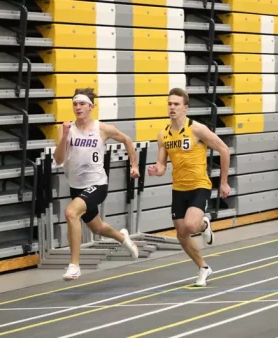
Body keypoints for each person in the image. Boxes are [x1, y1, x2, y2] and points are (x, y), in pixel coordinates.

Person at [54, 88, 140, 281]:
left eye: (82, 104)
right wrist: (64, 137)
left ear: (91, 107)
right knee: (98, 228)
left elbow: (126, 139)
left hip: (97, 185)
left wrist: (134, 165)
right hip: (76, 187)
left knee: (70, 212)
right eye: (75, 104)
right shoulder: (66, 129)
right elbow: (59, 160)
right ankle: (123, 238)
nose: (78, 107)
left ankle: (74, 265)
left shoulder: (102, 129)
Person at [148, 87, 231, 287]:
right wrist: (156, 170)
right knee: (181, 234)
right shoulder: (163, 135)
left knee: (191, 226)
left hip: (199, 185)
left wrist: (224, 182)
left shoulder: (197, 129)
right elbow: (162, 165)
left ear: (185, 108)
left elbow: (224, 149)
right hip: (179, 188)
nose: (172, 107)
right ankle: (203, 267)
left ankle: (204, 224)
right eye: (169, 104)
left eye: (176, 104)